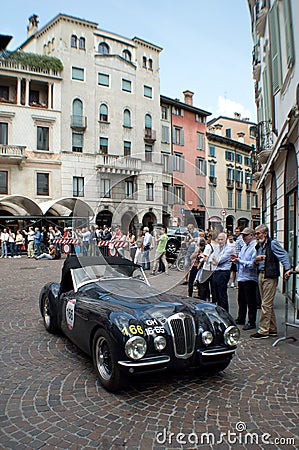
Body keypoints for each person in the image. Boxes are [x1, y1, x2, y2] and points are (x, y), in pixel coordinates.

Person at [250, 224, 292, 339]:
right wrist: (256, 260)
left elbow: (283, 255)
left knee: (265, 304)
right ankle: (272, 329)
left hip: (270, 276)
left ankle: (263, 330)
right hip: (261, 274)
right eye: (256, 234)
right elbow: (255, 260)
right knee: (267, 304)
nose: (256, 236)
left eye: (258, 233)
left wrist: (288, 269)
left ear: (265, 233)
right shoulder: (259, 246)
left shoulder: (272, 244)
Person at [231, 228, 258, 330]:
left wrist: (240, 261)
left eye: (245, 235)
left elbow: (253, 264)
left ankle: (251, 321)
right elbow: (242, 259)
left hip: (250, 277)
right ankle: (241, 318)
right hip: (242, 277)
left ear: (251, 235)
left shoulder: (254, 247)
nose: (243, 237)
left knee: (250, 301)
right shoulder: (245, 246)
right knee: (241, 300)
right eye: (243, 235)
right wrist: (236, 259)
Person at [211, 232, 236, 312]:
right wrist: (214, 260)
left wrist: (215, 260)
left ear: (226, 240)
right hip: (216, 272)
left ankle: (225, 313)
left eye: (222, 239)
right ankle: (219, 313)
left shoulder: (229, 249)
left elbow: (219, 261)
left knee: (222, 295)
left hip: (223, 272)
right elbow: (211, 258)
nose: (220, 241)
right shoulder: (218, 248)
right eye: (219, 239)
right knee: (216, 295)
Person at [197, 232, 216, 301]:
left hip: (207, 268)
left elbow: (205, 259)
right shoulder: (217, 246)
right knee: (213, 287)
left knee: (203, 286)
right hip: (213, 268)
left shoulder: (208, 246)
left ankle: (203, 300)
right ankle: (214, 300)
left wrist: (201, 255)